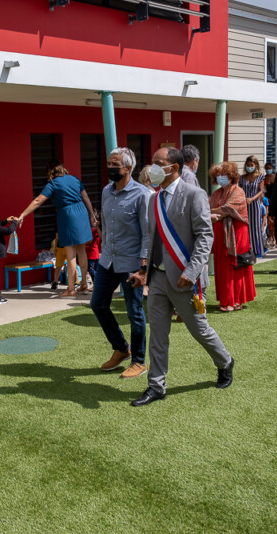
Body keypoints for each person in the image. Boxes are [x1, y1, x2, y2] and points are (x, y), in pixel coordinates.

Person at [128, 147, 234, 407]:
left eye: (158, 163)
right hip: (159, 279)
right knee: (158, 335)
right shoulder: (154, 199)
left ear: (174, 168)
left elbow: (204, 236)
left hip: (186, 279)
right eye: (152, 162)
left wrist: (191, 271)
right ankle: (156, 386)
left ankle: (225, 362)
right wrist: (144, 270)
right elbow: (151, 238)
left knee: (199, 330)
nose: (152, 168)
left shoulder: (194, 194)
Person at [90, 147, 150, 379]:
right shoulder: (106, 191)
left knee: (134, 312)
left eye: (115, 165)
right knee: (98, 305)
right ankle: (121, 348)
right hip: (108, 260)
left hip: (131, 263)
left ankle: (139, 361)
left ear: (128, 168)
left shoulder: (142, 194)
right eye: (109, 164)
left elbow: (147, 233)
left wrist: (143, 267)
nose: (110, 168)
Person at [18, 159, 97, 297]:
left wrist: (23, 214)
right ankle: (84, 284)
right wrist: (91, 215)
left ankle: (71, 289)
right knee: (81, 251)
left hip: (68, 215)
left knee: (70, 254)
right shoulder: (74, 179)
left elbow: (38, 201)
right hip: (81, 212)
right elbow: (86, 197)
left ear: (50, 171)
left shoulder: (53, 184)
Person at [210, 162, 256, 311]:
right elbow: (214, 210)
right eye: (217, 175)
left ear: (231, 176)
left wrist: (211, 212)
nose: (220, 177)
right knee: (222, 266)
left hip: (237, 232)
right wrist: (213, 212)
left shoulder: (238, 191)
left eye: (223, 175)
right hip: (220, 232)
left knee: (236, 264)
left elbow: (226, 209)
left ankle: (236, 300)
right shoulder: (217, 193)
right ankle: (226, 299)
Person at [239, 155, 266, 258]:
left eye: (251, 165)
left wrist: (252, 199)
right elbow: (240, 189)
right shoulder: (242, 178)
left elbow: (261, 191)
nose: (249, 167)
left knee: (255, 227)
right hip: (244, 205)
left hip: (254, 204)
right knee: (245, 227)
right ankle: (247, 249)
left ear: (255, 165)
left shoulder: (260, 177)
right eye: (248, 165)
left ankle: (257, 249)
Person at [85, 210, 101, 286]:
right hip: (91, 253)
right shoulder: (90, 229)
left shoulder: (95, 230)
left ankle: (97, 282)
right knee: (93, 269)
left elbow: (101, 238)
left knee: (91, 269)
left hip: (93, 253)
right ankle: (96, 285)